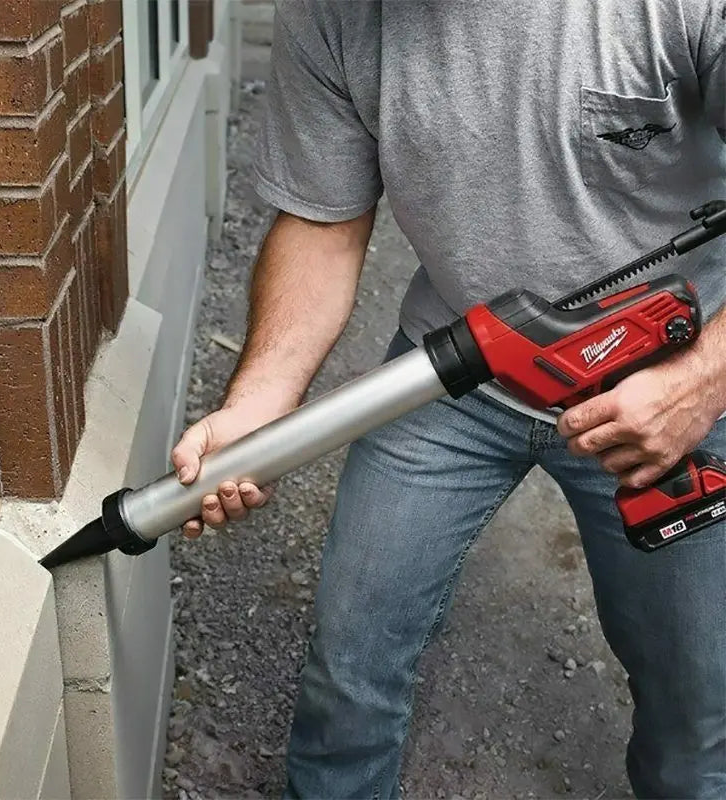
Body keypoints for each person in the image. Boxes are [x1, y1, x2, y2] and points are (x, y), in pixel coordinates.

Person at [171, 3, 726, 797]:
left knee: (697, 708)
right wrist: (258, 405)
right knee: (350, 663)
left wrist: (703, 380)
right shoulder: (333, 16)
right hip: (458, 371)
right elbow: (323, 227)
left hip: (670, 383)